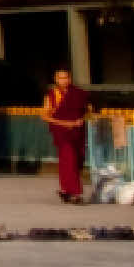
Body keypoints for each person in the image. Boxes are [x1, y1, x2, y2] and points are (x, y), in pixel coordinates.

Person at [43, 69, 90, 203]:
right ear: (56, 80)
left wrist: (82, 119)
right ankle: (75, 192)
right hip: (62, 133)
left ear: (70, 79)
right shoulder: (52, 95)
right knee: (69, 160)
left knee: (74, 161)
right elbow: (45, 116)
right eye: (61, 78)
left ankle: (66, 189)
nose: (63, 81)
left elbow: (87, 112)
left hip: (77, 131)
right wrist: (64, 123)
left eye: (66, 78)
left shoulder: (78, 93)